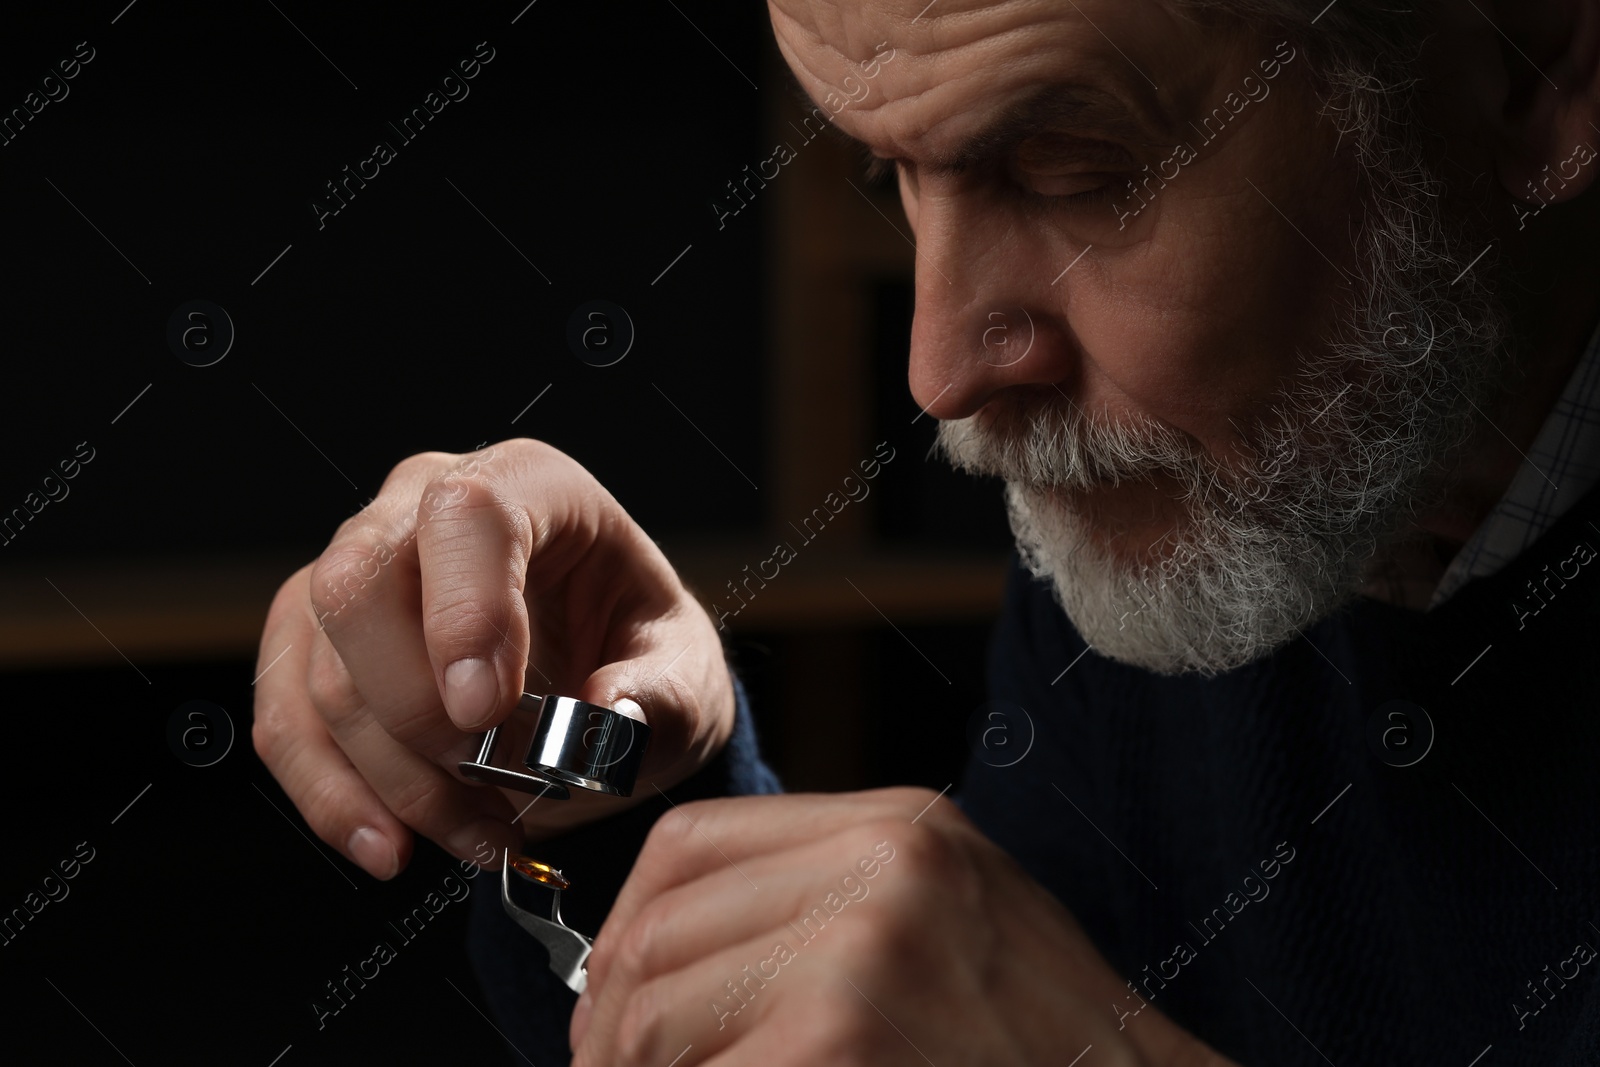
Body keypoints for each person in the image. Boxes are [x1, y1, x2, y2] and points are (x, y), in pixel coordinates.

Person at [253, 0, 1600, 1063]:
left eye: (1078, 175)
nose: (943, 371)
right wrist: (623, 779)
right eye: (887, 172)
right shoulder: (1215, 504)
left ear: (1533, 66)